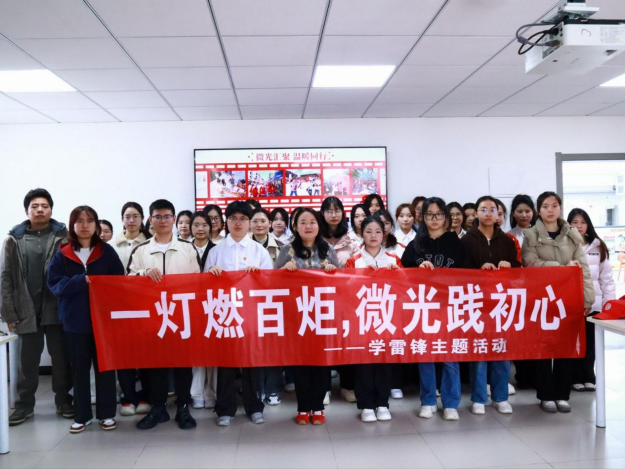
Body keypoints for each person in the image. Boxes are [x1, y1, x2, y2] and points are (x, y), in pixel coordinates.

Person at [48, 205, 124, 433]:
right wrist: (81, 280)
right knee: (79, 370)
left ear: (96, 225)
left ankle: (107, 414)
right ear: (72, 225)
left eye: (89, 221)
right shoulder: (62, 254)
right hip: (75, 323)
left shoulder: (106, 251)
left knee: (105, 369)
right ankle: (81, 416)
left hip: (103, 322)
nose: (84, 225)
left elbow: (119, 282)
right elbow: (55, 284)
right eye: (79, 221)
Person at [1, 188, 73, 426]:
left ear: (51, 210)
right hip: (26, 310)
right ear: (27, 211)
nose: (40, 210)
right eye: (35, 206)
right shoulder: (13, 240)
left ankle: (64, 401)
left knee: (61, 359)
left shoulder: (64, 237)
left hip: (57, 308)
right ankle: (24, 406)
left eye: (44, 206)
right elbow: (5, 277)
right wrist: (9, 313)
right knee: (27, 362)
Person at [128, 199, 201, 430]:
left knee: (183, 365)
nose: (163, 221)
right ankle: (158, 408)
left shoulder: (188, 248)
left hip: (182, 315)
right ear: (150, 219)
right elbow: (127, 280)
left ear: (174, 219)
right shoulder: (141, 250)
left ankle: (183, 408)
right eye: (158, 217)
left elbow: (198, 281)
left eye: (167, 216)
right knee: (155, 364)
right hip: (153, 316)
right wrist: (143, 273)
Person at [522, 191, 594, 413]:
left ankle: (562, 394)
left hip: (568, 298)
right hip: (542, 298)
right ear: (539, 210)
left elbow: (583, 269)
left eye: (554, 206)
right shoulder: (530, 235)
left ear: (560, 208)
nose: (550, 210)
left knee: (565, 347)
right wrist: (562, 268)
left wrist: (588, 298)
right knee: (544, 348)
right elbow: (530, 264)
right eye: (545, 206)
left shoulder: (571, 235)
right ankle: (545, 395)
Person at [204, 201, 273, 426]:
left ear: (249, 223)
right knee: (225, 364)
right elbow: (204, 285)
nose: (238, 223)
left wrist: (259, 276)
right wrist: (211, 274)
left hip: (251, 315)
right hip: (225, 315)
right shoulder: (215, 251)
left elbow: (270, 285)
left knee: (252, 362)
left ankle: (255, 407)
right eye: (233, 218)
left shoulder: (259, 251)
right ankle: (225, 409)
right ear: (226, 222)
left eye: (243, 219)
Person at [401, 197, 465, 421]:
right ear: (423, 217)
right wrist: (418, 268)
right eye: (430, 214)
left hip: (450, 307)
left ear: (446, 217)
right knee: (426, 355)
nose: (434, 219)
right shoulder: (415, 245)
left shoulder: (456, 243)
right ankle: (428, 401)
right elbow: (402, 274)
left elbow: (469, 276)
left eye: (439, 214)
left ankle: (451, 403)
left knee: (450, 356)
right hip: (424, 308)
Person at [275, 208, 339, 425]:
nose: (308, 226)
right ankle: (303, 408)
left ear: (319, 225)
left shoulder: (328, 250)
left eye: (312, 222)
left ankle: (318, 407)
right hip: (296, 316)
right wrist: (284, 271)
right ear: (295, 226)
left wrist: (334, 272)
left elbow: (343, 282)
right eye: (303, 222)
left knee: (321, 364)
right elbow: (272, 282)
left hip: (323, 316)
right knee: (300, 364)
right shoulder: (287, 250)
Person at [461, 196, 520, 416]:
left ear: (498, 214)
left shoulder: (507, 241)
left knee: (501, 351)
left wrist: (509, 266)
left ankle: (500, 397)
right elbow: (459, 273)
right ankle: (478, 398)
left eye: (492, 209)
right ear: (476, 213)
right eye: (483, 209)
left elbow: (518, 271)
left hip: (501, 304)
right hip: (476, 304)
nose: (488, 213)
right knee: (479, 353)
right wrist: (478, 270)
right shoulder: (466, 240)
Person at [346, 216, 402, 422]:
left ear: (384, 234)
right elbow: (345, 288)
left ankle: (382, 403)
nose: (373, 236)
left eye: (378, 231)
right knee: (364, 364)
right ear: (361, 234)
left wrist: (398, 274)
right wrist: (361, 276)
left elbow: (405, 289)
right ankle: (366, 404)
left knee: (384, 363)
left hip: (387, 319)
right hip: (362, 319)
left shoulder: (393, 259)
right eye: (368, 231)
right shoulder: (354, 261)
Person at [567, 208, 615, 392]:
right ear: (568, 224)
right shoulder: (564, 245)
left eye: (583, 222)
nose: (579, 226)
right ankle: (574, 377)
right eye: (575, 222)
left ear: (588, 225)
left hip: (594, 304)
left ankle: (588, 376)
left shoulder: (598, 246)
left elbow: (606, 279)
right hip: (572, 304)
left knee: (591, 343)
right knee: (574, 342)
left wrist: (609, 304)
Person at [112, 202, 151, 417]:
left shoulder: (150, 243)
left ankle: (145, 396)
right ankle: (127, 397)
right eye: (127, 216)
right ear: (122, 219)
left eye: (135, 216)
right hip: (120, 306)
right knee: (124, 354)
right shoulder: (112, 246)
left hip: (145, 305)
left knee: (145, 354)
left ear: (142, 218)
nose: (131, 220)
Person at [319, 197, 357, 403]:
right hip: (321, 298)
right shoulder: (315, 237)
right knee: (323, 341)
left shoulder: (352, 240)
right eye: (329, 210)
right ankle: (323, 387)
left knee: (346, 341)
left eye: (337, 210)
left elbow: (358, 266)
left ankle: (347, 386)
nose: (333, 214)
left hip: (347, 299)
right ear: (322, 213)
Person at [249, 207, 284, 406]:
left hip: (273, 303)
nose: (259, 225)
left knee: (272, 348)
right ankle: (256, 388)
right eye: (255, 221)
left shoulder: (281, 246)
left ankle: (272, 389)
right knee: (253, 348)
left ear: (269, 224)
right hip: (248, 304)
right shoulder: (243, 245)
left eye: (263, 221)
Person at [507, 195, 538, 390]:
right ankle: (522, 375)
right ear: (513, 214)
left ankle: (537, 375)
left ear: (533, 212)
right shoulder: (508, 236)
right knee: (519, 334)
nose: (524, 214)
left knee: (536, 334)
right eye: (520, 211)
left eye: (527, 211)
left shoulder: (541, 234)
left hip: (538, 292)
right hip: (516, 292)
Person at [189, 211, 217, 410]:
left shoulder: (217, 250)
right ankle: (196, 393)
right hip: (190, 305)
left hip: (214, 305)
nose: (200, 229)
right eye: (196, 225)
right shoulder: (184, 248)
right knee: (196, 351)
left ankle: (212, 392)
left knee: (213, 352)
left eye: (204, 225)